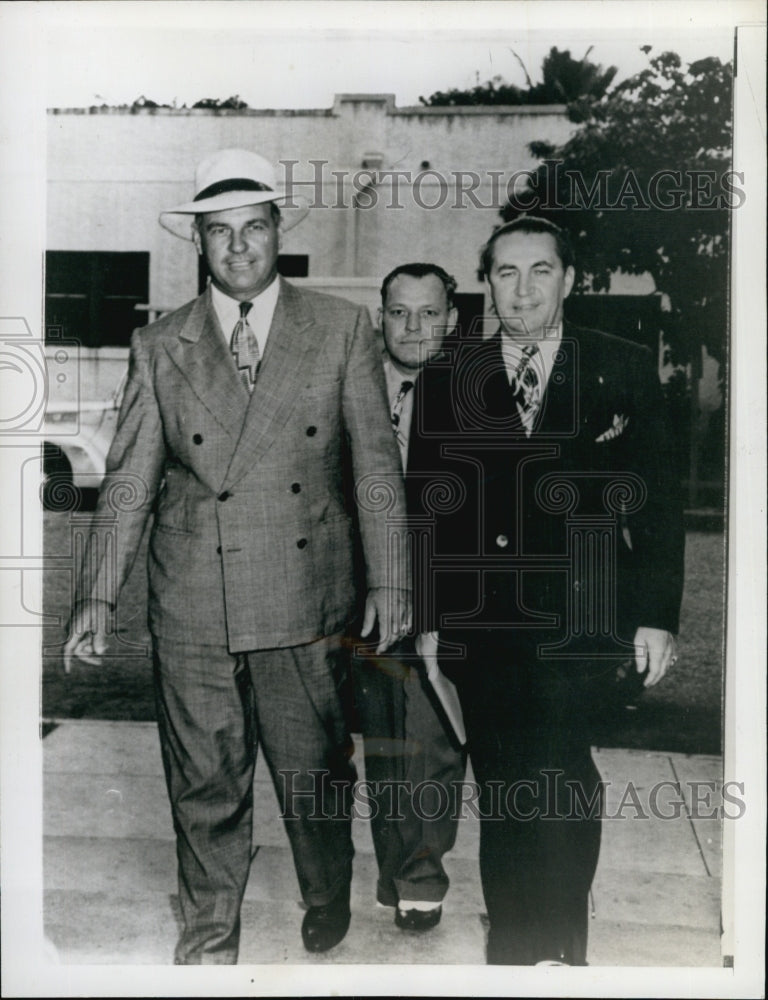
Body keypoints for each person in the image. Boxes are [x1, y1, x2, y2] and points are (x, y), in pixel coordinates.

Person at [63, 148, 410, 964]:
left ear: (277, 232)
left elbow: (374, 466)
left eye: (253, 228)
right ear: (200, 244)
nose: (239, 248)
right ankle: (209, 937)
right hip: (193, 600)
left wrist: (392, 576)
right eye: (219, 233)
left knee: (313, 778)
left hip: (306, 597)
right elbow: (128, 481)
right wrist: (96, 596)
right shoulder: (161, 345)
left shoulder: (339, 328)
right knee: (204, 782)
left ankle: (326, 889)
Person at [407, 217, 684, 965]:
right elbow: (429, 503)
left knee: (562, 775)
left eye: (539, 271)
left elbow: (659, 500)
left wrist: (657, 617)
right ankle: (518, 951)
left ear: (569, 280)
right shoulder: (448, 376)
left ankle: (556, 944)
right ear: (486, 282)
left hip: (585, 620)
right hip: (484, 622)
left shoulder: (621, 366)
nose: (522, 289)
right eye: (505, 273)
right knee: (505, 785)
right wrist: (430, 618)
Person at [353, 263, 467, 933]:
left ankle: (423, 878)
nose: (414, 326)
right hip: (366, 590)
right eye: (400, 312)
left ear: (450, 318)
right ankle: (395, 867)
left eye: (428, 313)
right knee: (384, 741)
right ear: (381, 316)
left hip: (441, 587)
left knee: (431, 740)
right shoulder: (356, 382)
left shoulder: (475, 391)